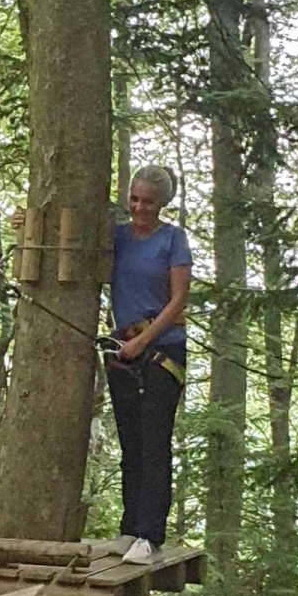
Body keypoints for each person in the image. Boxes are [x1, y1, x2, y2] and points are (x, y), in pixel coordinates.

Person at [106, 164, 191, 565]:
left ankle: (150, 534)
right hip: (122, 347)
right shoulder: (119, 237)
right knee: (130, 441)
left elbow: (178, 300)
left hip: (162, 349)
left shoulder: (172, 240)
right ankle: (129, 526)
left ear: (162, 204)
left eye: (149, 202)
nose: (140, 208)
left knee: (154, 440)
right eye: (135, 199)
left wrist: (144, 340)